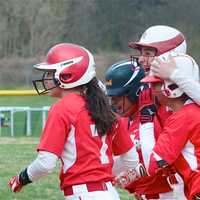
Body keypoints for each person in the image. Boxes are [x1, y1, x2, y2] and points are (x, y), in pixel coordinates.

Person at [8, 43, 139, 200]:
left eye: (50, 72)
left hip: (82, 194)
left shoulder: (62, 109)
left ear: (66, 75)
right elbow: (131, 160)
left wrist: (21, 178)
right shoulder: (104, 108)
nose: (45, 78)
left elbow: (45, 164)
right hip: (109, 193)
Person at [105, 59, 180, 200]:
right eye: (111, 97)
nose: (113, 102)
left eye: (117, 96)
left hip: (169, 195)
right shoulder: (123, 120)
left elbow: (161, 160)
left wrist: (136, 172)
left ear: (135, 92)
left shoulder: (158, 115)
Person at [141, 54, 200, 200]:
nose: (151, 89)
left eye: (156, 84)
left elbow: (153, 164)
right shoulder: (192, 111)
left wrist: (145, 122)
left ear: (173, 87)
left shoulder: (183, 116)